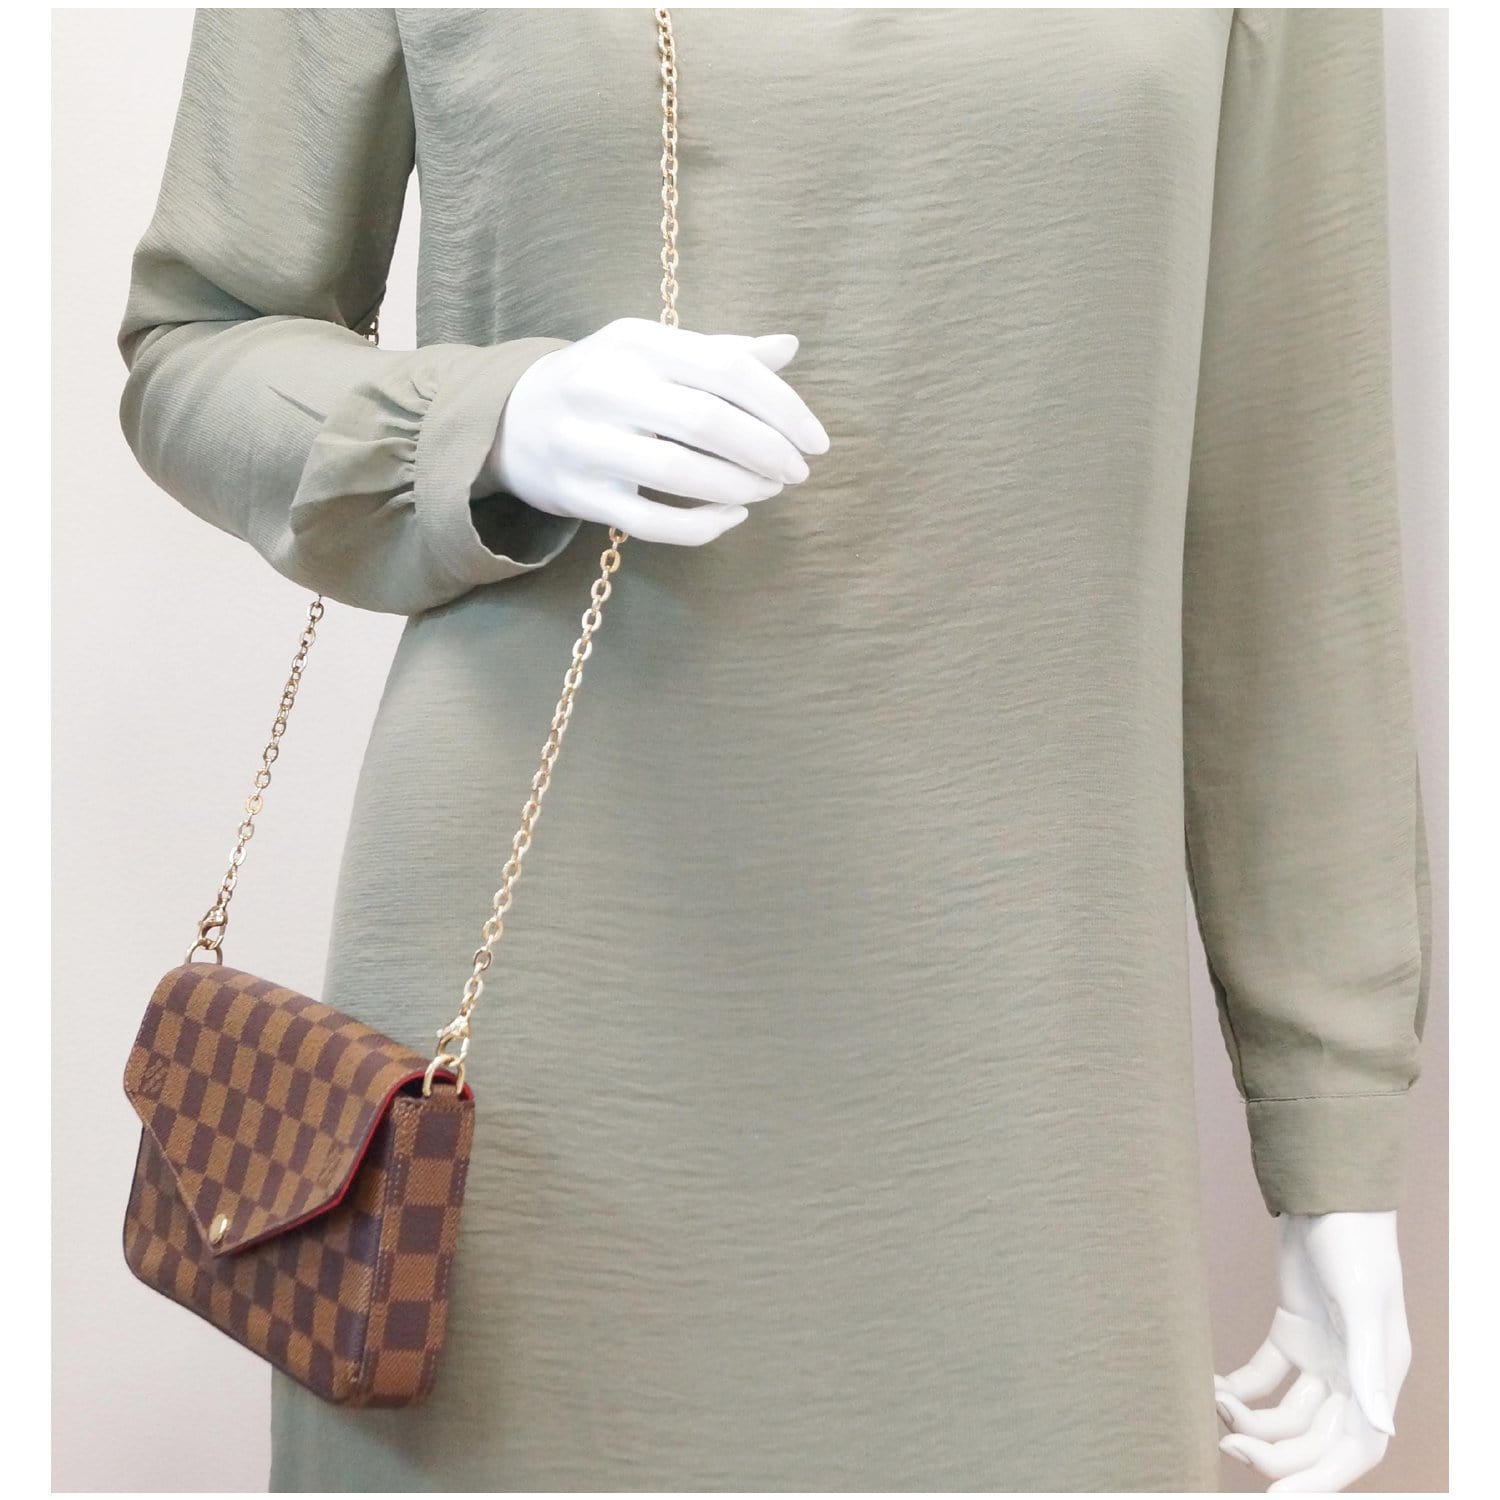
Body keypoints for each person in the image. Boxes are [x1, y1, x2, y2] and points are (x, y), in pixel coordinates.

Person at [116, 8, 1431, 1492]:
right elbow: (193, 343)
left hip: (1024, 1068)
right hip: (523, 1052)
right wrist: (496, 419)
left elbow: (1288, 524)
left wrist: (1335, 1134)